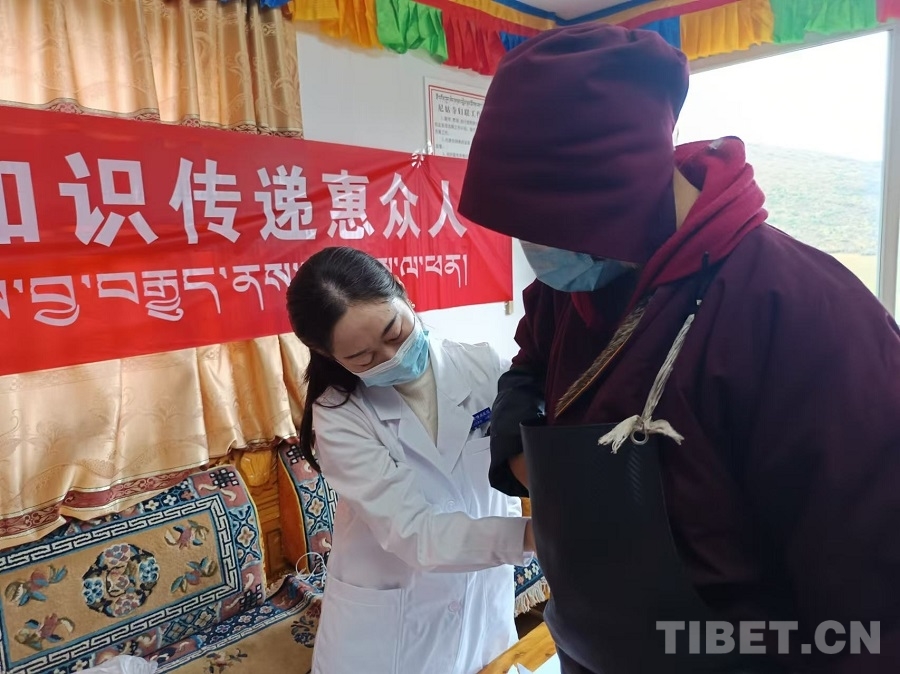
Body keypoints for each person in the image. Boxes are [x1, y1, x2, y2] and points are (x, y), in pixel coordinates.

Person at [457, 22, 900, 674]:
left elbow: (868, 597)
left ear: (616, 188)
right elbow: (527, 369)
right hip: (588, 645)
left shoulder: (802, 311)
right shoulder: (576, 284)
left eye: (547, 228)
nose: (536, 252)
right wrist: (529, 458)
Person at [285, 246, 534, 674]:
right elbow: (415, 532)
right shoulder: (340, 415)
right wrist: (532, 535)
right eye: (362, 357)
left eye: (394, 333)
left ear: (402, 292)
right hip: (389, 635)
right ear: (327, 355)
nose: (390, 357)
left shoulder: (482, 366)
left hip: (482, 611)